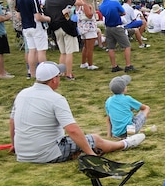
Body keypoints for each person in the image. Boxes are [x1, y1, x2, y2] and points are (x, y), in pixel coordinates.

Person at [10, 61, 145, 163]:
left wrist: (15, 145)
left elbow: (12, 122)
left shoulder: (22, 94)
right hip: (47, 154)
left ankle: (79, 152)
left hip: (22, 154)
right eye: (59, 75)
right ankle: (124, 144)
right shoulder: (56, 99)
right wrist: (91, 154)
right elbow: (72, 130)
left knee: (80, 142)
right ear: (54, 80)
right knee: (95, 139)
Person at [15, 0, 49, 79]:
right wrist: (47, 18)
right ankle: (43, 74)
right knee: (41, 50)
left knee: (31, 50)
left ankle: (32, 73)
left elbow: (18, 15)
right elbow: (38, 17)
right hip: (36, 26)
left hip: (26, 27)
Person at [98, 0, 136, 73]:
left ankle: (114, 66)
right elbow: (123, 13)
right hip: (117, 26)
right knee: (126, 45)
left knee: (111, 47)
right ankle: (128, 65)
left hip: (108, 27)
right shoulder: (115, 3)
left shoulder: (101, 6)